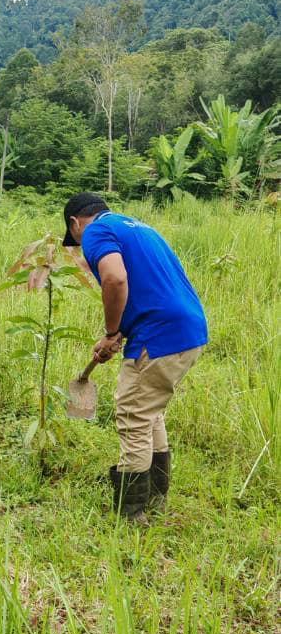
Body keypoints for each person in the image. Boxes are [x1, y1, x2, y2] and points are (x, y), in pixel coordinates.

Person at [63, 193, 208, 521]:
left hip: (161, 334)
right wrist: (118, 333)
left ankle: (131, 513)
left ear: (75, 223)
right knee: (149, 411)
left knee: (133, 413)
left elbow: (115, 278)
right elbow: (147, 289)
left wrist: (112, 330)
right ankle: (156, 496)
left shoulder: (95, 231)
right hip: (188, 328)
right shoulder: (138, 228)